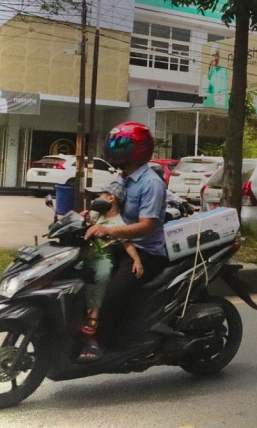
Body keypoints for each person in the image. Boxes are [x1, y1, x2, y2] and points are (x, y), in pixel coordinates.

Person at [84, 122, 168, 346]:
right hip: (121, 244)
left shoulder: (151, 184)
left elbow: (147, 226)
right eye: (112, 143)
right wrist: (86, 215)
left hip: (147, 252)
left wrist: (109, 230)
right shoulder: (121, 177)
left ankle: (106, 343)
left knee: (113, 291)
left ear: (138, 150)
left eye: (120, 144)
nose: (114, 148)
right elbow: (107, 202)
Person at [77, 180, 144, 362]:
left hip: (102, 257)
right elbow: (78, 220)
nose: (96, 199)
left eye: (100, 196)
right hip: (84, 255)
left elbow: (127, 243)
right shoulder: (95, 215)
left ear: (111, 198)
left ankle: (95, 313)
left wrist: (137, 261)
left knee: (103, 274)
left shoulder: (118, 223)